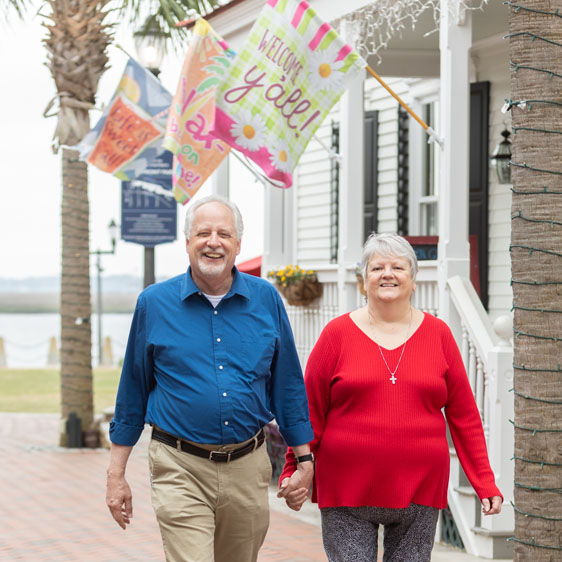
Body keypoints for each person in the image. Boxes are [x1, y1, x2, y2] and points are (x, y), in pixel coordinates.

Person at [106, 194, 314, 562]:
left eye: (223, 233)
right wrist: (115, 474)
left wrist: (304, 461)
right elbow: (132, 391)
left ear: (237, 244)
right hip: (178, 464)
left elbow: (287, 385)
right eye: (203, 233)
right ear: (187, 243)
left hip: (247, 465)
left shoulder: (266, 299)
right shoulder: (154, 304)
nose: (213, 241)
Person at [279, 232, 502, 562]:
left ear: (413, 281)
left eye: (398, 267)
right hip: (346, 488)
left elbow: (464, 416)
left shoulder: (439, 334)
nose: (387, 274)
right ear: (364, 281)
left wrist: (484, 481)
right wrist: (293, 468)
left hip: (420, 488)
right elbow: (309, 410)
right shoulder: (335, 335)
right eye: (376, 267)